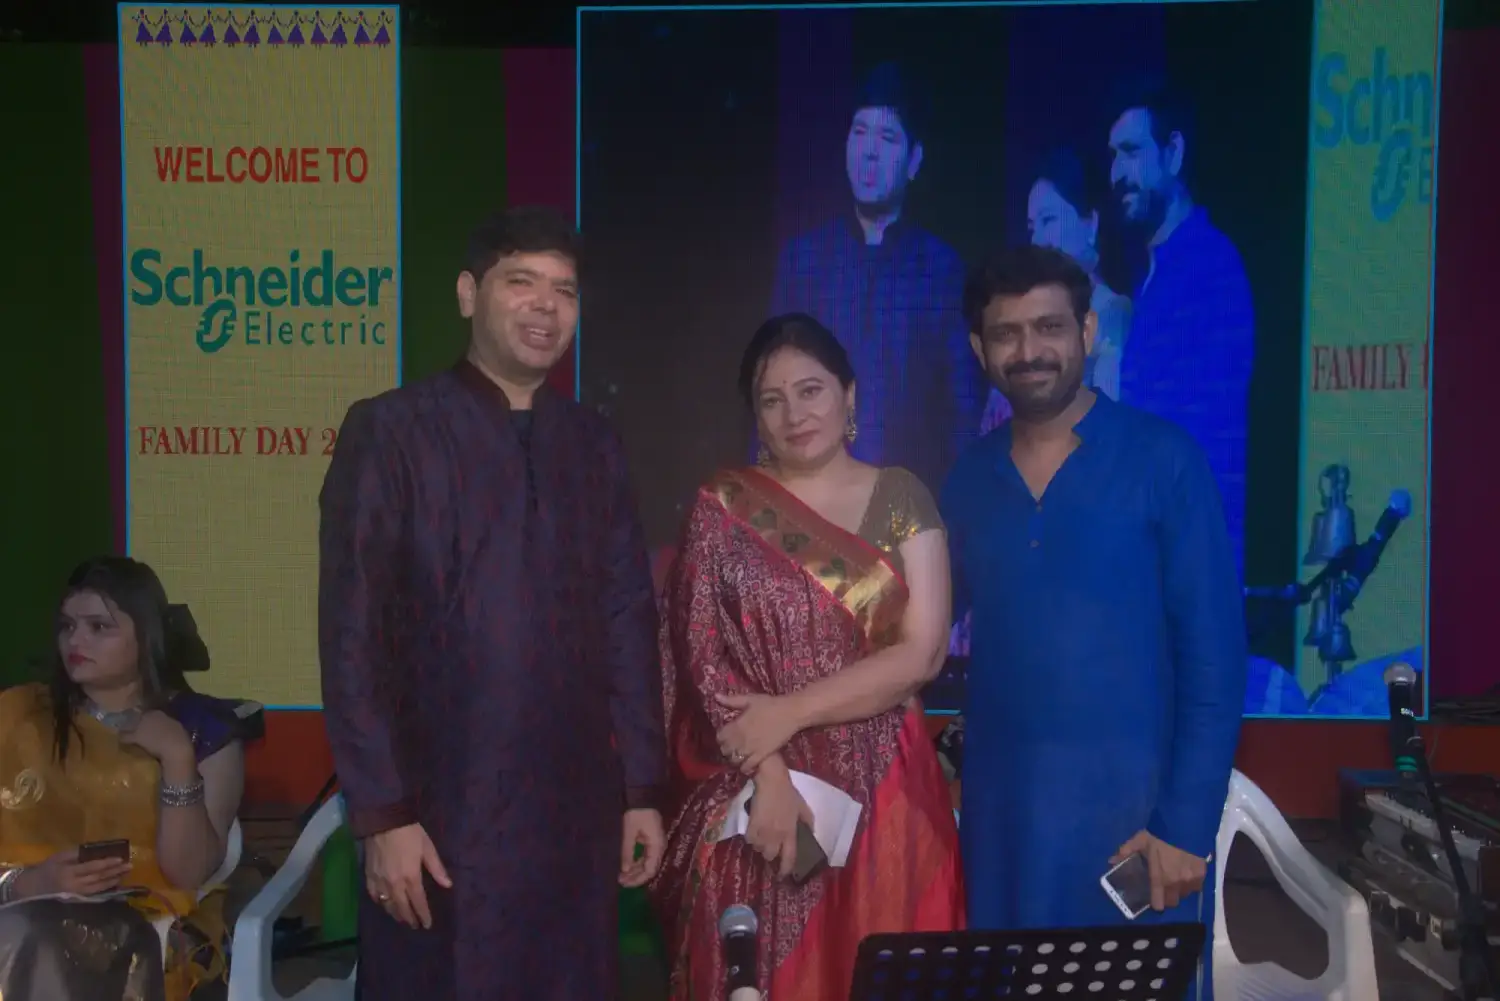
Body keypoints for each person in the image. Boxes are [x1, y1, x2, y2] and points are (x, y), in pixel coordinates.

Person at [318, 205, 669, 1001]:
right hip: (440, 819)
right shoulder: (392, 432)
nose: (547, 306)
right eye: (522, 282)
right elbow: (353, 637)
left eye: (565, 290)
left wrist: (642, 790)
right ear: (468, 293)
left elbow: (626, 618)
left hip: (572, 818)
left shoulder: (593, 443)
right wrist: (382, 817)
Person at [943, 246, 1246, 1001]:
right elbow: (912, 638)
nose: (1029, 350)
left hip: (1136, 832)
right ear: (981, 350)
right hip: (1004, 834)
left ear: (1088, 332)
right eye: (1006, 333)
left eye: (1049, 326)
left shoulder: (1164, 460)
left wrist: (1184, 825)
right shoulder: (966, 479)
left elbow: (1215, 662)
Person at [650, 313, 964, 1001]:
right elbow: (700, 658)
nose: (794, 413)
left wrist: (787, 713)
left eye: (812, 390)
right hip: (762, 793)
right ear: (755, 417)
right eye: (772, 398)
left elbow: (924, 650)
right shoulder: (723, 507)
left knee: (884, 969)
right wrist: (770, 770)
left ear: (850, 396)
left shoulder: (901, 495)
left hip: (889, 789)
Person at [0, 557, 246, 1001]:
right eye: (67, 626)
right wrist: (27, 883)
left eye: (98, 627)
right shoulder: (19, 717)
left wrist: (176, 757)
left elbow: (188, 871)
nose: (76, 639)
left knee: (31, 935)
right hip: (21, 905)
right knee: (26, 927)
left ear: (146, 635)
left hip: (148, 924)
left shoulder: (201, 727)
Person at [772, 62, 984, 494]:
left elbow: (961, 417)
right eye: (859, 133)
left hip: (904, 517)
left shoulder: (941, 270)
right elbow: (768, 394)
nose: (869, 151)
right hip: (810, 510)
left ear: (914, 161)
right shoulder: (804, 260)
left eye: (887, 138)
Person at [1107, 87, 1255, 571]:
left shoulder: (1211, 270)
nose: (1117, 174)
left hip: (1186, 573)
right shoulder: (1153, 276)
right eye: (1113, 157)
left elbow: (1199, 441)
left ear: (1173, 152)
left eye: (1131, 153)